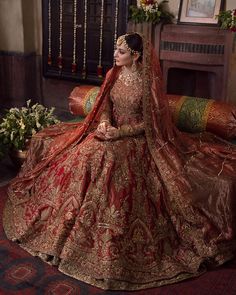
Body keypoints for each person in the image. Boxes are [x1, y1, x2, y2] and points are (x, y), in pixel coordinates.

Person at [3, 32, 236, 291]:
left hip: (136, 140)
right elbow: (104, 105)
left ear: (135, 56)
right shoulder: (114, 75)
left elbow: (149, 125)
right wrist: (104, 123)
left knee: (110, 160)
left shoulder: (147, 84)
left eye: (121, 51)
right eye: (116, 49)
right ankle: (65, 225)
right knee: (85, 153)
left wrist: (120, 133)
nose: (115, 55)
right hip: (109, 132)